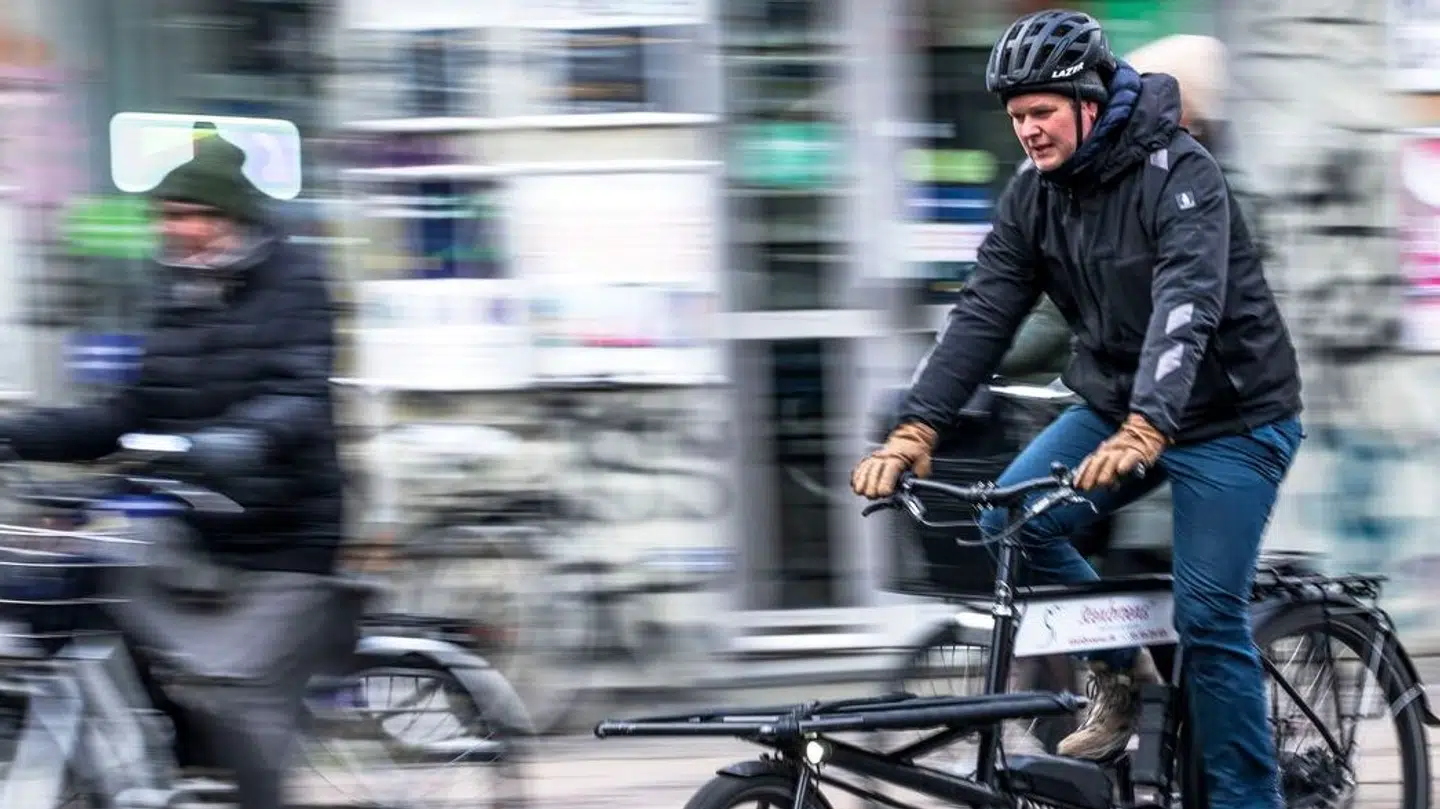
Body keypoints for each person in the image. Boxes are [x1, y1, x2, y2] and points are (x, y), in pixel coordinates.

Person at [852, 10, 1303, 809]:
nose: (1027, 130)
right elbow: (985, 311)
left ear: (1090, 101)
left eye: (1041, 113)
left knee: (1206, 616)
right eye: (1016, 117)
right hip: (1120, 407)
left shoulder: (1181, 174)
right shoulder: (1035, 197)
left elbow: (1187, 305)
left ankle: (1248, 798)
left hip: (1233, 419)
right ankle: (1117, 671)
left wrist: (1149, 422)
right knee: (1012, 522)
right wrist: (918, 423)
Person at [0, 128, 345, 809]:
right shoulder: (175, 289)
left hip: (279, 531)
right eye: (167, 215)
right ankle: (143, 767)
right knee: (83, 579)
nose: (175, 229)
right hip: (196, 518)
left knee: (244, 721)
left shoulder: (295, 281)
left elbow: (300, 395)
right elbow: (129, 409)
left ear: (230, 218)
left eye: (188, 214)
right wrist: (17, 435)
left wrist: (240, 440)